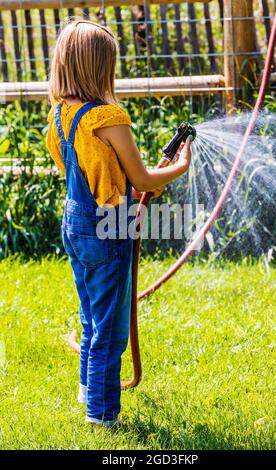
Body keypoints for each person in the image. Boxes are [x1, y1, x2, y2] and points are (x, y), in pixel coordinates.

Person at [46, 18, 193, 428]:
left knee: (92, 314)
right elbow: (143, 178)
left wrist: (136, 182)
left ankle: (87, 390)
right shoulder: (109, 116)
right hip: (107, 227)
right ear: (100, 67)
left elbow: (104, 170)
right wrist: (179, 166)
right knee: (109, 332)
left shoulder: (60, 114)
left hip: (75, 224)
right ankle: (101, 416)